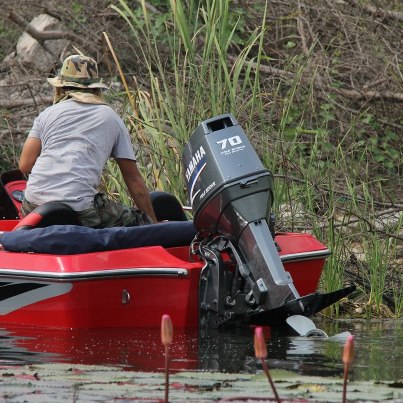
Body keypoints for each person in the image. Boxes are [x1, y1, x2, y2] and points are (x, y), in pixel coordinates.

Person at [18, 54, 157, 228]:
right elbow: (133, 179)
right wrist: (153, 224)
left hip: (32, 206)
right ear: (96, 88)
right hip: (80, 211)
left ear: (61, 88)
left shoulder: (47, 114)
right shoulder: (111, 117)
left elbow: (25, 165)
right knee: (136, 219)